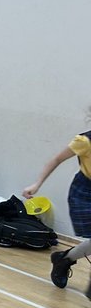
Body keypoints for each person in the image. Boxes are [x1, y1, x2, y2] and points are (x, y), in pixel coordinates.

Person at [23, 122, 91, 296]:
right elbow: (56, 159)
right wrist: (37, 184)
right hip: (84, 194)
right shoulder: (84, 141)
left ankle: (63, 259)